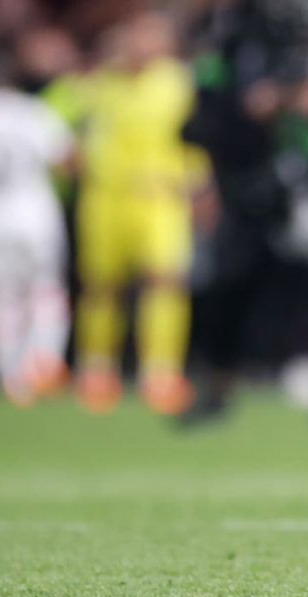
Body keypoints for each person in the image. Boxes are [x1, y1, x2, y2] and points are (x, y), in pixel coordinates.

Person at [72, 11, 200, 415]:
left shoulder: (176, 83)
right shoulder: (98, 82)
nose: (143, 45)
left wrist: (197, 182)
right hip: (105, 197)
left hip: (160, 197)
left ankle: (160, 373)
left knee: (165, 282)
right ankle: (96, 370)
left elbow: (195, 136)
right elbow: (59, 119)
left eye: (153, 37)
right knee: (101, 286)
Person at [0, 57, 72, 407]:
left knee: (5, 296)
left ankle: (12, 375)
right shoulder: (32, 111)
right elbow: (68, 160)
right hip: (35, 214)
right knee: (46, 290)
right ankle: (43, 366)